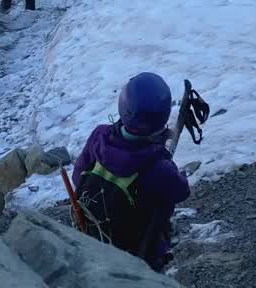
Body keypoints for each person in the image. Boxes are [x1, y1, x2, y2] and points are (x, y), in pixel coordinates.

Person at [72, 72, 190, 272]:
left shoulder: (100, 136)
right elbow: (182, 192)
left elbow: (77, 177)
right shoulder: (159, 167)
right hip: (141, 252)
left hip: (94, 236)